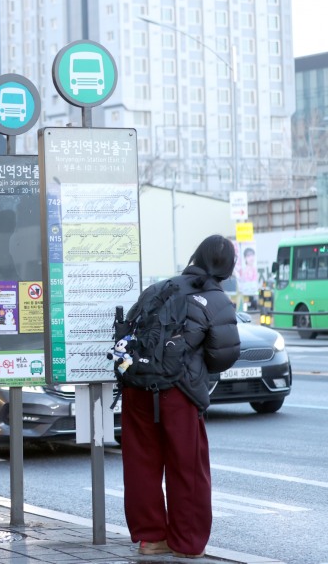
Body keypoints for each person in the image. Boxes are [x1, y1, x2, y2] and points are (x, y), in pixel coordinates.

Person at [122, 234, 240, 558]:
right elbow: (224, 355)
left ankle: (150, 539)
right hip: (179, 392)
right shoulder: (215, 298)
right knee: (187, 467)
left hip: (136, 386)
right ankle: (187, 544)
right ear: (226, 266)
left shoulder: (160, 287)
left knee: (141, 465)